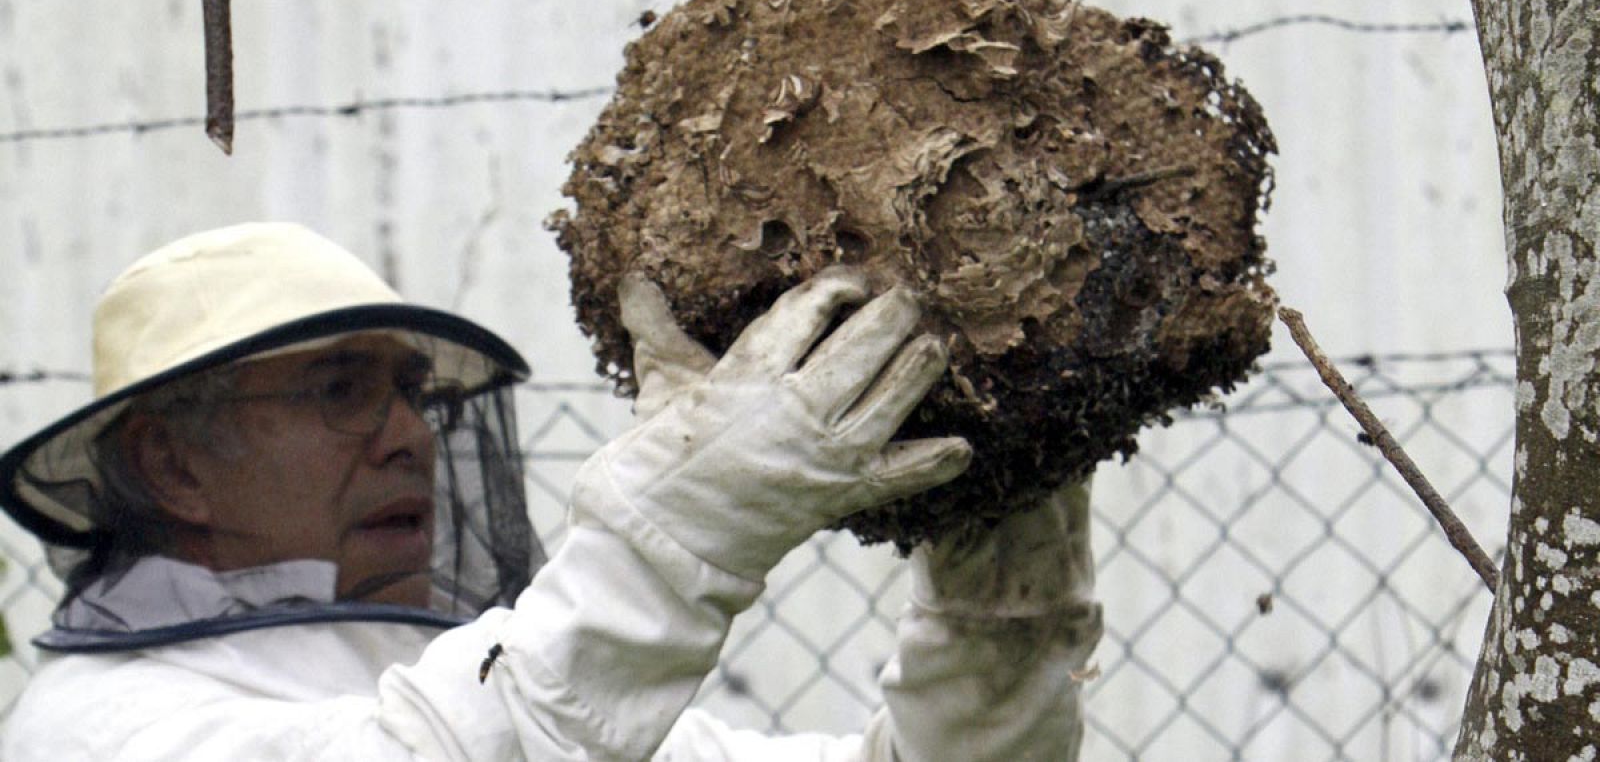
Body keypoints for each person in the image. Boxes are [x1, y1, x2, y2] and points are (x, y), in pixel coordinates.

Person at [0, 222, 1101, 760]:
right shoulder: (94, 731)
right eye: (340, 390)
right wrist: (683, 522)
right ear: (170, 464)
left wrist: (1000, 585)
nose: (407, 439)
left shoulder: (454, 674)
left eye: (411, 393)